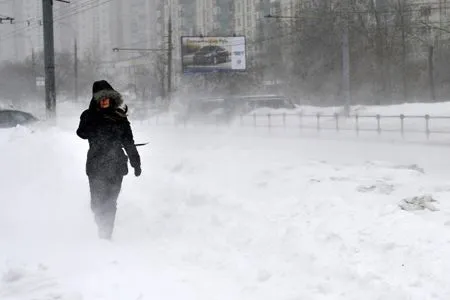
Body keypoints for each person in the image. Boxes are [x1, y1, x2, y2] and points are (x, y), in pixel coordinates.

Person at [77, 80, 141, 240]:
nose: (105, 101)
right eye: (101, 98)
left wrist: (136, 162)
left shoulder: (119, 117)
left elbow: (128, 142)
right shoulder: (88, 116)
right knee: (97, 204)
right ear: (96, 100)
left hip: (116, 166)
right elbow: (81, 133)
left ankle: (105, 234)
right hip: (96, 166)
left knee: (110, 202)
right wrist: (92, 115)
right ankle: (101, 226)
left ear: (112, 99)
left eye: (107, 98)